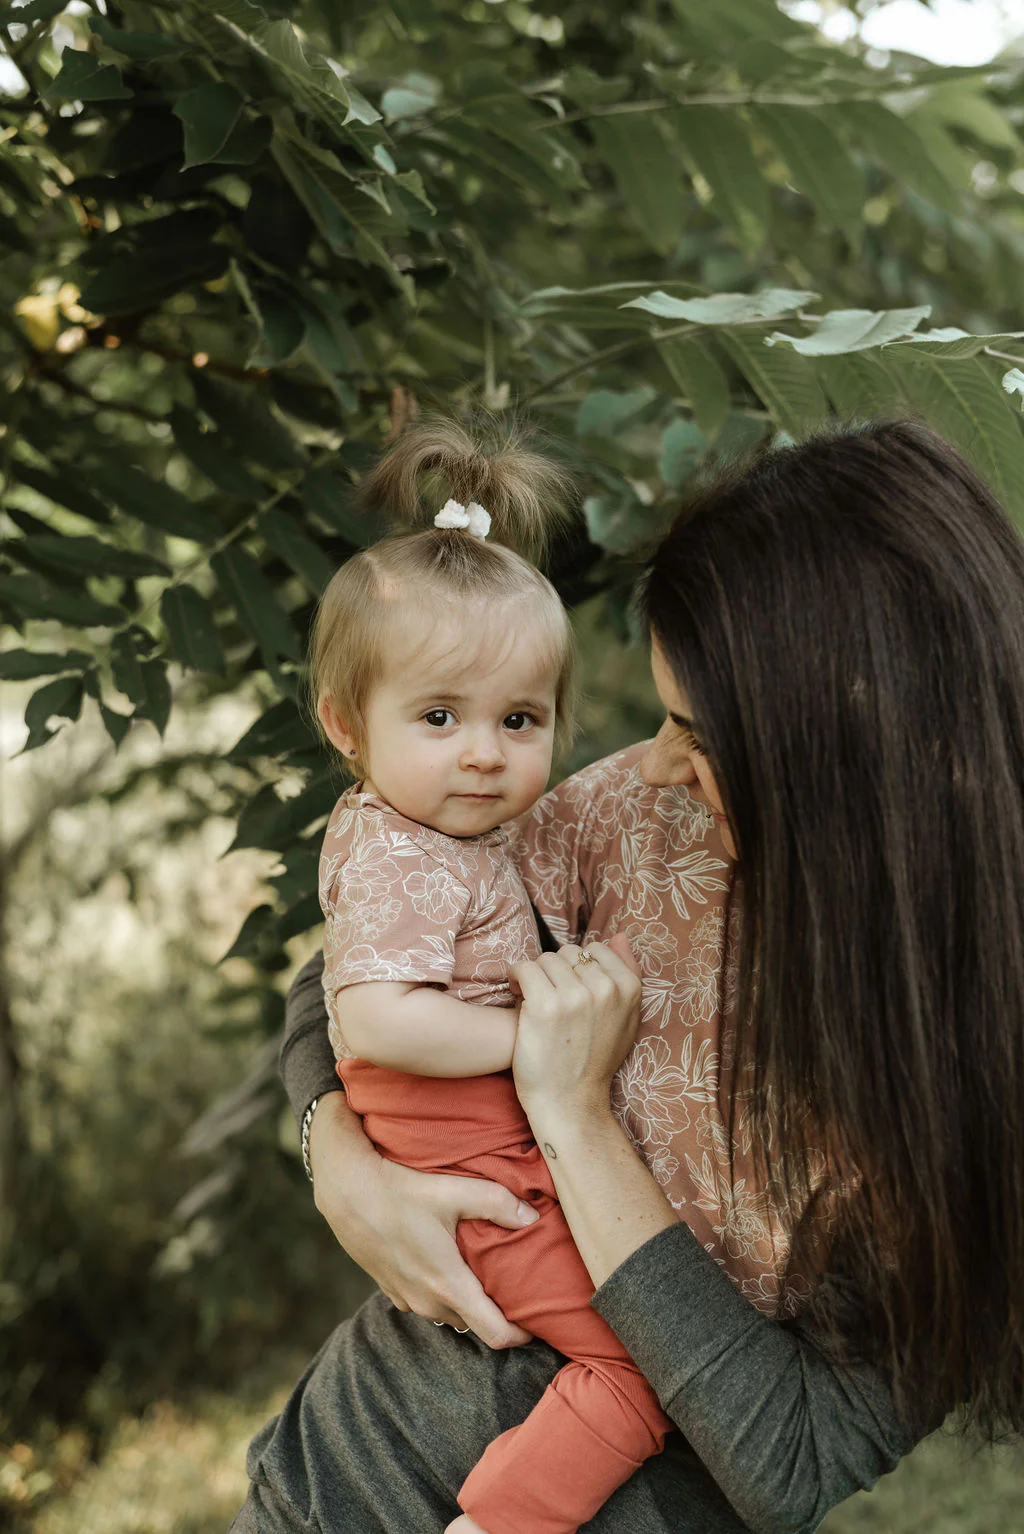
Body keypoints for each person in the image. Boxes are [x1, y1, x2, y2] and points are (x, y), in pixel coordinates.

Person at [232, 419, 1024, 1533]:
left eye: (701, 734)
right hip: (335, 1478)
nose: (655, 762)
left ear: (846, 744)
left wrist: (574, 1114)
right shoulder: (644, 815)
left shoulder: (986, 1047)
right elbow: (365, 960)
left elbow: (793, 1460)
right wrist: (342, 1162)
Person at [309, 418, 673, 1534]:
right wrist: (543, 1040)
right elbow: (376, 1019)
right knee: (642, 1370)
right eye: (439, 716)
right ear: (346, 724)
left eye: (520, 719)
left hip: (468, 1129)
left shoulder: (431, 830)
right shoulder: (408, 856)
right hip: (458, 1144)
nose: (483, 751)